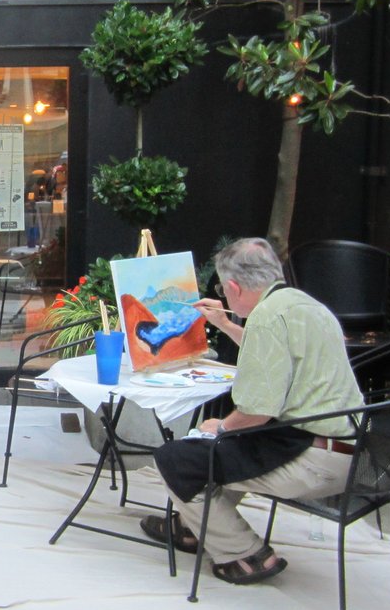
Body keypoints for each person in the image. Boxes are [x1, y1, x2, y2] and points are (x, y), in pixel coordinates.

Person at [141, 237, 364, 584]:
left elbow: (256, 412)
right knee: (223, 449)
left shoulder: (267, 317)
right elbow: (279, 354)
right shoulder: (306, 305)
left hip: (311, 459)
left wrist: (221, 427)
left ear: (233, 287)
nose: (223, 296)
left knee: (177, 458)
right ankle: (189, 528)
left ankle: (246, 554)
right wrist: (226, 324)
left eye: (222, 289)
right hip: (348, 449)